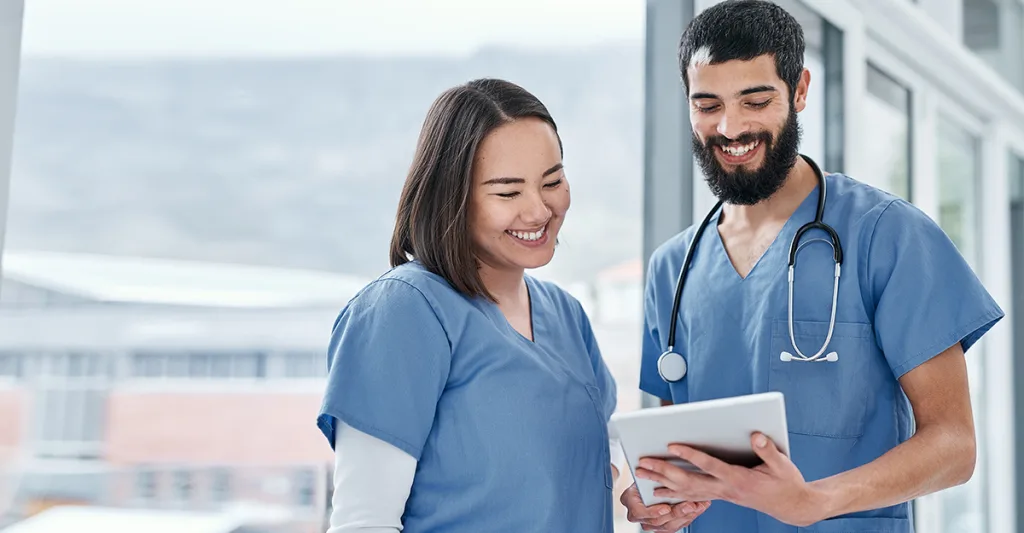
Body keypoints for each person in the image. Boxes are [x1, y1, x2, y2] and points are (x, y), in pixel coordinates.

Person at [620, 1, 1005, 532]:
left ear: (800, 90)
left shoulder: (886, 235)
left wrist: (814, 500)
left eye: (755, 101)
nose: (730, 127)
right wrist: (657, 499)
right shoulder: (673, 269)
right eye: (707, 105)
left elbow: (954, 446)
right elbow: (678, 451)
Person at [316, 78, 623, 533]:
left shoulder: (566, 315)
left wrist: (649, 488)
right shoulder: (405, 312)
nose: (539, 211)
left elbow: (584, 466)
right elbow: (365, 522)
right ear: (453, 198)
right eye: (508, 192)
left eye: (552, 181)